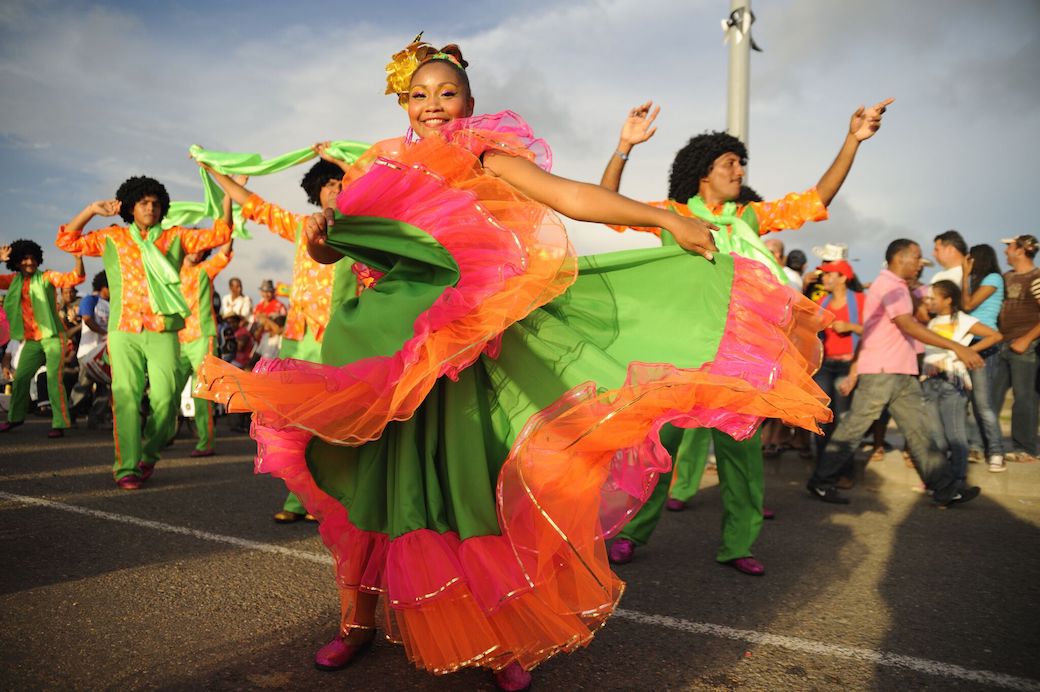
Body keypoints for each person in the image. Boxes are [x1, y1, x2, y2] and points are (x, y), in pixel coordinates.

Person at [194, 39, 830, 690]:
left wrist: (655, 219)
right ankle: (355, 622)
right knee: (376, 488)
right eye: (420, 95)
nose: (433, 105)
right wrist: (323, 241)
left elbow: (571, 197)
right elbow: (336, 254)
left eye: (447, 93)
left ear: (470, 103)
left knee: (476, 492)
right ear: (403, 104)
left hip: (468, 352)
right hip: (385, 354)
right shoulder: (375, 170)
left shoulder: (483, 155)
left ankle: (501, 637)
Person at [598, 95, 892, 575]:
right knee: (658, 445)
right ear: (704, 171)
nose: (739, 171)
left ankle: (738, 543)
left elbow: (816, 199)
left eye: (741, 164)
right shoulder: (671, 213)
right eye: (730, 163)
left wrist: (852, 140)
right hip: (682, 349)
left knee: (741, 454)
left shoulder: (750, 217)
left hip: (742, 354)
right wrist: (624, 148)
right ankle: (630, 532)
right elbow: (608, 208)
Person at [200, 154, 359, 523]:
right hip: (298, 336)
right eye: (329, 184)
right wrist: (215, 172)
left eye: (342, 183)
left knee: (334, 421)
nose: (335, 189)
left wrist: (337, 158)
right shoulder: (301, 226)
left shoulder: (363, 229)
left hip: (340, 337)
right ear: (316, 193)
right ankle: (297, 500)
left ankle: (333, 500)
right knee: (292, 421)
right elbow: (253, 204)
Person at [56, 176, 233, 489]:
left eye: (155, 203)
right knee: (125, 398)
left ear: (162, 207)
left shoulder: (175, 237)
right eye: (143, 202)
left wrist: (228, 195)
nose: (150, 207)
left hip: (163, 330)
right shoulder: (112, 238)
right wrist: (91, 210)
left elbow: (220, 233)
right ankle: (126, 467)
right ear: (131, 207)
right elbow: (66, 241)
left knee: (165, 402)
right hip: (124, 330)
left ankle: (149, 455)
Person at [808, 239, 984, 505]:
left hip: (899, 369)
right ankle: (821, 481)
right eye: (917, 259)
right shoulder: (889, 286)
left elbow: (918, 320)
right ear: (901, 258)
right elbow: (908, 326)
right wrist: (957, 347)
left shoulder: (899, 287)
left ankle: (944, 487)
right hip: (882, 370)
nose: (920, 265)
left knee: (918, 429)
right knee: (855, 426)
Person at [0, 241, 85, 437]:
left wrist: (78, 258)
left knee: (54, 379)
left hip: (54, 337)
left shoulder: (47, 276)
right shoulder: (13, 280)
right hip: (31, 340)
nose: (30, 262)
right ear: (16, 262)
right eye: (24, 258)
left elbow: (74, 277)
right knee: (20, 379)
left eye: (33, 258)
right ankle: (15, 418)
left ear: (38, 259)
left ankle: (60, 423)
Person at [921, 280, 1002, 482]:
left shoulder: (963, 320)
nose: (929, 301)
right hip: (929, 382)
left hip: (952, 382)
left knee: (955, 434)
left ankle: (958, 480)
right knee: (936, 435)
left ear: (948, 299)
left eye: (933, 297)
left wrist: (966, 351)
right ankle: (941, 480)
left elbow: (995, 335)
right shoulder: (932, 322)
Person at [174, 200, 235, 458]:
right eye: (193, 245)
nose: (197, 251)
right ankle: (161, 435)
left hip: (201, 337)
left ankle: (205, 442)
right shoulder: (168, 273)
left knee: (202, 392)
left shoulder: (205, 270)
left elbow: (226, 246)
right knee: (165, 391)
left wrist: (227, 202)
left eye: (201, 247)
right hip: (175, 338)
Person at [812, 259, 865, 462]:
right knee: (821, 416)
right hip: (824, 366)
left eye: (828, 274)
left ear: (843, 277)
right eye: (823, 274)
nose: (823, 278)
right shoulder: (821, 303)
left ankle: (843, 469)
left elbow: (873, 332)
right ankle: (823, 465)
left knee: (844, 419)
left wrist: (851, 327)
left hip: (848, 365)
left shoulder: (861, 300)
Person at [993, 234, 1040, 463]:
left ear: (1021, 250)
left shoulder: (1037, 276)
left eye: (1009, 246)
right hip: (1002, 345)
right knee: (991, 397)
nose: (1005, 251)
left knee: (1024, 397)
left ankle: (1025, 449)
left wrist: (1026, 339)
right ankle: (987, 444)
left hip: (1025, 347)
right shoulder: (1007, 277)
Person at [960, 244, 1007, 471]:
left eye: (971, 258)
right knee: (969, 402)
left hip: (984, 342)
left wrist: (964, 275)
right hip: (967, 342)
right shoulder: (973, 282)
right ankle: (976, 447)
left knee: (983, 403)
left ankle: (997, 451)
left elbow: (968, 305)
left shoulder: (994, 278)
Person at [69, 271, 111, 420]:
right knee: (83, 386)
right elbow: (87, 319)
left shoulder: (112, 304)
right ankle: (69, 415)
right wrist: (104, 333)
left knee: (104, 388)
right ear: (103, 286)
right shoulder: (90, 300)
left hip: (104, 355)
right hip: (88, 353)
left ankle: (96, 419)